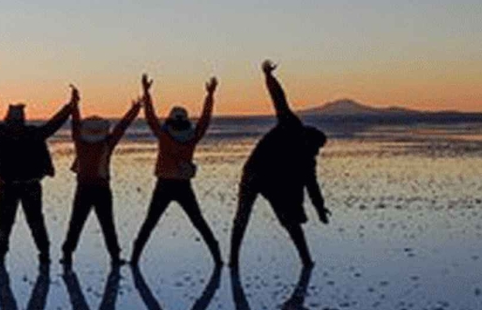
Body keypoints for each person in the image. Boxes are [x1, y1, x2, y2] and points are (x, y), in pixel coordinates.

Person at [231, 61, 331, 267]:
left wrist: (320, 208)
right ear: (308, 138)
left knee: (290, 221)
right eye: (316, 147)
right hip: (254, 171)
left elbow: (312, 185)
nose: (316, 152)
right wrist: (268, 76)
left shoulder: (307, 159)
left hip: (273, 181)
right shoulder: (291, 125)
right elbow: (279, 99)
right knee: (242, 215)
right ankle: (233, 260)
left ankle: (306, 260)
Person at [0, 85, 76, 265]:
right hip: (26, 185)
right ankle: (42, 253)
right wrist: (70, 106)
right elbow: (53, 124)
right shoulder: (31, 133)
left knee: (7, 221)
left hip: (11, 185)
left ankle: (2, 255)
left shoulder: (2, 132)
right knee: (33, 220)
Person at [129, 75, 223, 266]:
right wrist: (210, 96)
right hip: (183, 185)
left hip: (164, 184)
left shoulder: (164, 135)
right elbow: (205, 120)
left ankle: (134, 259)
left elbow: (150, 118)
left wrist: (147, 92)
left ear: (170, 120)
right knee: (198, 221)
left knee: (149, 223)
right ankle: (218, 258)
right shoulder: (192, 137)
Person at [62, 88, 143, 265]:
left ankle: (67, 254)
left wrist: (75, 103)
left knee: (76, 223)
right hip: (101, 189)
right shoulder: (107, 143)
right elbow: (122, 127)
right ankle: (114, 257)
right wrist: (135, 109)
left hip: (84, 188)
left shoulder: (80, 142)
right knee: (107, 224)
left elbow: (75, 123)